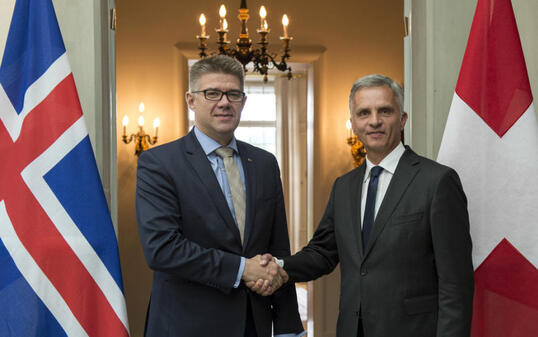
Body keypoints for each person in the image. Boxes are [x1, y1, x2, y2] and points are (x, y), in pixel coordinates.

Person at [251, 74, 474, 337]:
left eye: (385, 111)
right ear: (354, 125)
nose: (375, 121)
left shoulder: (437, 181)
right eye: (364, 113)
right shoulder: (344, 186)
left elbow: (456, 284)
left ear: (402, 119)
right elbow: (322, 252)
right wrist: (280, 267)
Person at [136, 55, 304, 337]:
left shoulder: (264, 163)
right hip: (185, 326)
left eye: (233, 94)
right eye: (212, 93)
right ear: (191, 100)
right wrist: (242, 269)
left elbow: (278, 250)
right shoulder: (160, 163)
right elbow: (161, 248)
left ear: (243, 101)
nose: (224, 102)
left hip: (253, 325)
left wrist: (288, 327)